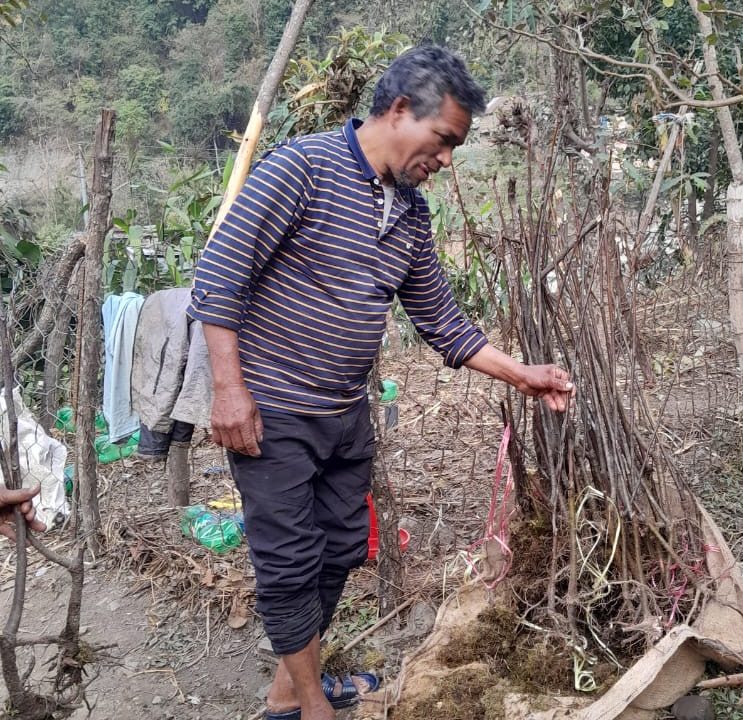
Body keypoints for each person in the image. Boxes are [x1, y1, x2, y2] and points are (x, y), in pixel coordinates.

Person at [188, 45, 574, 720]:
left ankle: (286, 690)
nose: (447, 159)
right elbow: (219, 275)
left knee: (339, 549)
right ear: (400, 111)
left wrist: (525, 375)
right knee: (288, 560)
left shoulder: (410, 216)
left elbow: (443, 322)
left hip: (345, 414)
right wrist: (228, 390)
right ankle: (309, 705)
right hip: (272, 411)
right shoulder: (302, 169)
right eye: (443, 140)